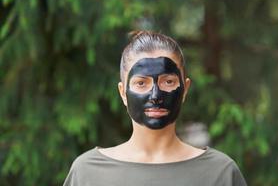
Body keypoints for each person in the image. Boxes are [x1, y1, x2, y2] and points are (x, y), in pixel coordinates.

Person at [63, 31, 247, 186]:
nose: (155, 96)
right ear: (122, 92)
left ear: (185, 89)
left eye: (168, 82)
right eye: (141, 83)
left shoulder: (221, 173)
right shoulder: (87, 173)